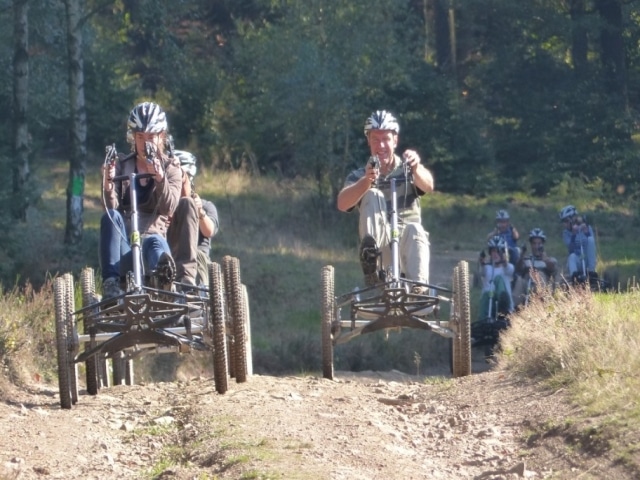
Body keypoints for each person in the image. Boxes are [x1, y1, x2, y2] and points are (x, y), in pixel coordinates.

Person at [336, 110, 434, 292]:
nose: (381, 145)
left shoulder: (408, 168)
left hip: (408, 245)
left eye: (386, 139)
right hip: (382, 248)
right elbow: (342, 204)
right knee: (373, 194)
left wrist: (416, 168)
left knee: (415, 228)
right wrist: (366, 181)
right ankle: (370, 259)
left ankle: (418, 291)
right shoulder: (359, 175)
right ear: (368, 142)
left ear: (395, 141)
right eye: (375, 139)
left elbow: (428, 186)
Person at [100, 101, 182, 298]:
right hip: (127, 246)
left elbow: (169, 207)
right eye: (140, 137)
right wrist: (108, 184)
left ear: (161, 136)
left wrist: (160, 178)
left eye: (151, 137)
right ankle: (111, 285)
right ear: (133, 137)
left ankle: (164, 280)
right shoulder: (122, 165)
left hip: (153, 242)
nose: (145, 143)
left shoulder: (171, 168)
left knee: (154, 242)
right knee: (110, 216)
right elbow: (112, 207)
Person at [167, 150, 219, 287]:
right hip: (170, 256)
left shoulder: (206, 206)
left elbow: (209, 231)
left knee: (198, 258)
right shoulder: (165, 206)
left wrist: (199, 212)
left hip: (198, 255)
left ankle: (196, 291)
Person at [512, 228, 558, 307]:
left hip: (543, 288)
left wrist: (545, 260)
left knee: (539, 274)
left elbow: (553, 269)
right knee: (519, 280)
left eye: (539, 243)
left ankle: (542, 306)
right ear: (531, 244)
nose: (536, 246)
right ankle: (513, 309)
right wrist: (521, 255)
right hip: (527, 286)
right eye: (534, 243)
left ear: (543, 244)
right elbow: (518, 270)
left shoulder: (549, 260)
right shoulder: (527, 259)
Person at [477, 236, 515, 321]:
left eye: (498, 251)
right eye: (493, 251)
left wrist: (505, 261)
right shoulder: (487, 268)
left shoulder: (507, 268)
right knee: (487, 294)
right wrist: (482, 262)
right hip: (489, 302)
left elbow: (509, 269)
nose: (495, 254)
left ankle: (503, 308)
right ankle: (483, 320)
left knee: (498, 278)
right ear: (490, 253)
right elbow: (481, 272)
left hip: (503, 305)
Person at [559, 205, 597, 282]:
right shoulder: (566, 233)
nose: (565, 224)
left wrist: (586, 232)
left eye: (566, 221)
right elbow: (570, 250)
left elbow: (592, 243)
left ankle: (591, 272)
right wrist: (573, 234)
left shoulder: (587, 227)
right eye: (564, 222)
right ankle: (574, 276)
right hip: (578, 259)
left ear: (572, 219)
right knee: (572, 256)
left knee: (590, 239)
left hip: (587, 259)